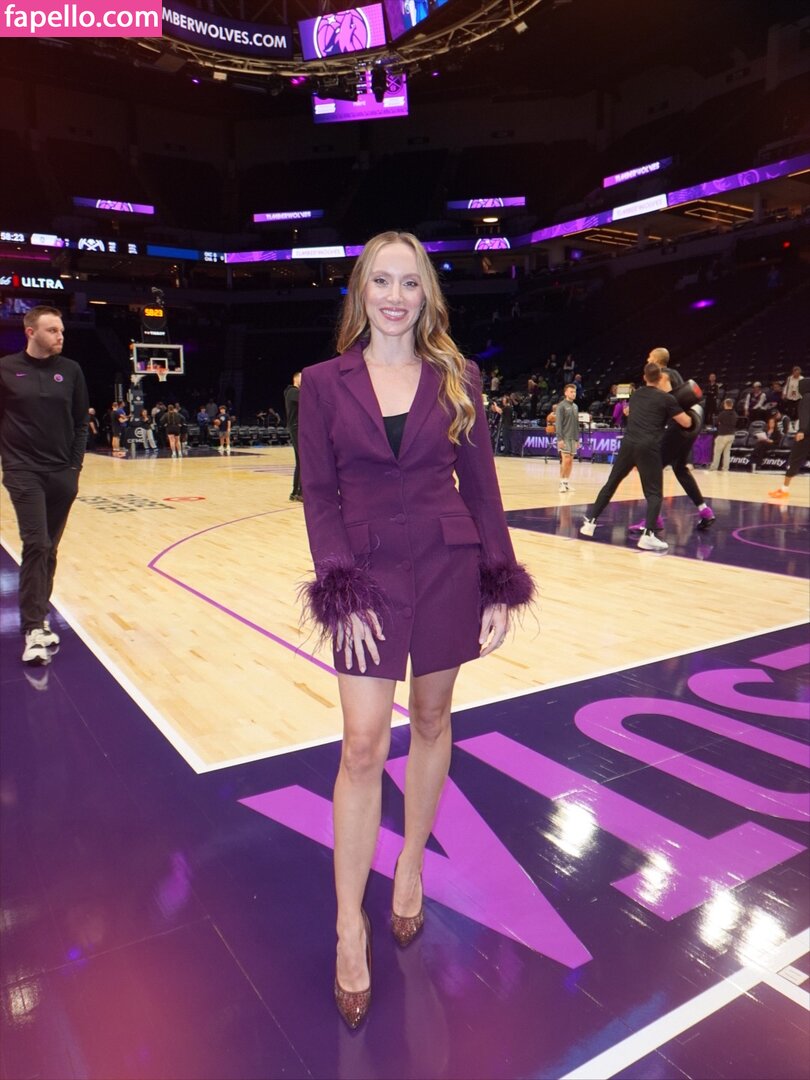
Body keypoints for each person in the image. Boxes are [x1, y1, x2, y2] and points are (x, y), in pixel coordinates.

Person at [297, 230, 534, 1029]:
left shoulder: (457, 377)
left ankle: (409, 864)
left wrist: (498, 578)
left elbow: (483, 486)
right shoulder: (322, 384)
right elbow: (319, 494)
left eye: (409, 283)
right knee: (362, 746)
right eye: (381, 281)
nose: (395, 297)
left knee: (432, 720)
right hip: (363, 577)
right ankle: (347, 925)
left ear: (426, 294)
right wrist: (339, 583)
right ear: (360, 292)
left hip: (445, 566)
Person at [0, 305, 88, 664]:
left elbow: (80, 423)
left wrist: (74, 468)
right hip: (23, 472)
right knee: (36, 543)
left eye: (61, 330)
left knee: (49, 550)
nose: (60, 336)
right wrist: (9, 462)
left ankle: (39, 615)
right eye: (52, 330)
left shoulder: (71, 370)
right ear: (30, 332)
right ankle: (33, 628)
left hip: (61, 474)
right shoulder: (6, 369)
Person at [580, 362, 693, 551]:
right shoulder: (667, 399)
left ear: (644, 377)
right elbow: (686, 422)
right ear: (660, 378)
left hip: (628, 445)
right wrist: (688, 408)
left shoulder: (636, 394)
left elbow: (629, 411)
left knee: (611, 483)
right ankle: (648, 536)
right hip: (648, 447)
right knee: (654, 493)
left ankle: (590, 522)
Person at [630, 347, 715, 532]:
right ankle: (705, 511)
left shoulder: (662, 375)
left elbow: (667, 402)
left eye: (650, 357)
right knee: (680, 468)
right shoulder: (675, 373)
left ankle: (654, 520)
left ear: (656, 360)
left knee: (651, 468)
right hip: (692, 422)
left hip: (680, 425)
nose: (647, 359)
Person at [769, 378, 810, 498]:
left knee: (794, 460)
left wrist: (802, 430)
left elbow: (805, 416)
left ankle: (784, 490)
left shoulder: (806, 398)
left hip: (806, 435)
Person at [556, 383, 579, 492]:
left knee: (570, 461)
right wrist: (559, 439)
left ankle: (566, 482)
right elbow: (558, 423)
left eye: (575, 392)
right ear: (566, 393)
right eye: (571, 391)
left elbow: (576, 424)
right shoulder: (561, 406)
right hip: (564, 437)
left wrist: (577, 439)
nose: (574, 394)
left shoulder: (575, 407)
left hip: (573, 438)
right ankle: (561, 483)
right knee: (565, 460)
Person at [284, 372, 302, 501]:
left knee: (301, 461)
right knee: (303, 460)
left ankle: (296, 492)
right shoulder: (292, 391)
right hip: (296, 427)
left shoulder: (293, 392)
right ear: (296, 379)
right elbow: (308, 399)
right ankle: (299, 492)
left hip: (297, 427)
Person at [709, 398, 738, 471]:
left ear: (726, 404)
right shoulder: (735, 414)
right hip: (731, 435)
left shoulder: (723, 413)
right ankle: (725, 468)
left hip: (722, 435)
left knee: (717, 452)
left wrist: (720, 423)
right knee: (727, 453)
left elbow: (716, 422)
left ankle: (714, 467)